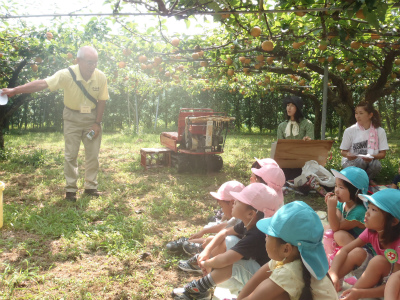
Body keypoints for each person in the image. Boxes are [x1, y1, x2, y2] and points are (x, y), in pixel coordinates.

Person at [1, 46, 108, 201]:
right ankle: (71, 190)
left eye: (95, 63)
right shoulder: (66, 74)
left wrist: (97, 123)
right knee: (70, 155)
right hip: (72, 118)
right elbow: (42, 84)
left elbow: (102, 100)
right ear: (78, 61)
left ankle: (91, 187)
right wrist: (16, 90)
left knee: (93, 155)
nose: (93, 66)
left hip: (91, 119)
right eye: (89, 62)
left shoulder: (100, 77)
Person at [173, 183, 281, 300]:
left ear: (251, 213)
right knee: (226, 243)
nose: (234, 202)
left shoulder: (256, 235)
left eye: (239, 201)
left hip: (262, 285)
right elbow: (224, 232)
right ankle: (201, 289)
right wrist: (206, 252)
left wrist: (206, 263)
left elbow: (225, 259)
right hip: (256, 273)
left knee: (235, 264)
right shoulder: (249, 223)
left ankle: (198, 289)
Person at [237, 201, 338, 300]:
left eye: (268, 235)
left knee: (274, 296)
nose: (265, 237)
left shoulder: (289, 272)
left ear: (286, 249)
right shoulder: (294, 257)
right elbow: (257, 279)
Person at [328, 189, 400, 300]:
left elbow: (395, 284)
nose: (367, 213)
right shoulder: (373, 231)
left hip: (391, 290)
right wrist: (333, 273)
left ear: (394, 221)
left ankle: (350, 295)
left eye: (374, 210)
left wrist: (360, 293)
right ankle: (329, 283)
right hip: (376, 279)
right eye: (369, 207)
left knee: (378, 261)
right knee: (357, 252)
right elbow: (345, 250)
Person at [166, 180, 245, 256]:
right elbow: (226, 226)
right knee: (213, 239)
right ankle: (188, 243)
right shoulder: (239, 217)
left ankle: (201, 254)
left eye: (222, 206)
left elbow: (224, 237)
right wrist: (204, 231)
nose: (222, 210)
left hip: (233, 256)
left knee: (221, 239)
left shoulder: (245, 221)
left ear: (232, 203)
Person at [340, 101, 389, 182]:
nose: (357, 116)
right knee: (360, 161)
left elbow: (383, 154)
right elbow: (343, 152)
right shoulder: (350, 131)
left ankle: (364, 181)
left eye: (361, 113)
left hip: (370, 161)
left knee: (376, 165)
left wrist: (372, 156)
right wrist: (348, 154)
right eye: (356, 113)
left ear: (370, 115)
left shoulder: (380, 131)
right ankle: (360, 182)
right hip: (351, 162)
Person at [325, 167, 369, 247]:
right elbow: (335, 221)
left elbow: (336, 227)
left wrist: (331, 208)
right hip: (351, 236)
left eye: (341, 187)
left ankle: (363, 258)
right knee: (327, 228)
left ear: (356, 192)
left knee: (339, 235)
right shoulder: (342, 203)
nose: (336, 191)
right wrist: (333, 207)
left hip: (363, 246)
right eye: (336, 186)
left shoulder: (359, 211)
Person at [277, 96, 314, 180]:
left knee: (300, 178)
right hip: (286, 161)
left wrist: (307, 141)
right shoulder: (282, 126)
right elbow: (280, 147)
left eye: (292, 105)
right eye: (287, 105)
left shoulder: (307, 124)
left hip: (302, 161)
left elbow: (311, 145)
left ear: (298, 108)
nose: (289, 108)